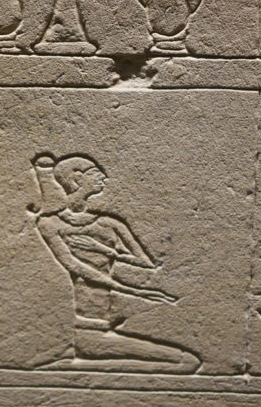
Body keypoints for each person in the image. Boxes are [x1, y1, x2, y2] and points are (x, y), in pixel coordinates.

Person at [33, 153, 200, 373]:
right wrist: (133, 291)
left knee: (188, 362)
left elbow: (145, 263)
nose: (103, 177)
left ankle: (81, 364)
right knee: (188, 362)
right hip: (88, 324)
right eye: (95, 172)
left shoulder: (110, 223)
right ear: (77, 179)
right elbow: (74, 265)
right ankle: (81, 364)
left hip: (105, 319)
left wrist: (106, 251)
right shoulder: (49, 223)